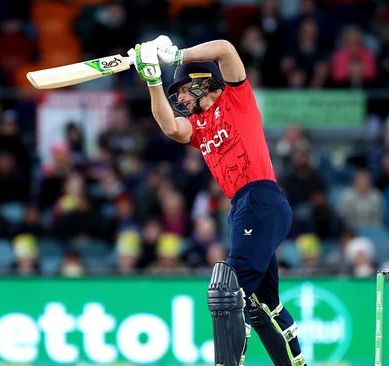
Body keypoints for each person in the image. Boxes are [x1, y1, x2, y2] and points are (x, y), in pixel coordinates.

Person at [128, 36, 305, 366]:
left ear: (200, 83)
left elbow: (225, 49)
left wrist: (178, 55)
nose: (179, 98)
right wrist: (153, 80)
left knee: (227, 289)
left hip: (261, 199)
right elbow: (169, 127)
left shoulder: (236, 99)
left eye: (181, 90)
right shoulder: (198, 126)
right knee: (262, 304)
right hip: (242, 208)